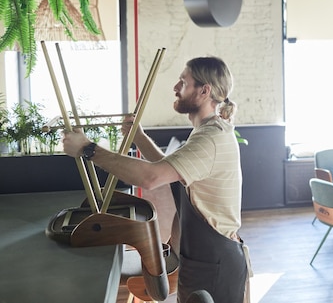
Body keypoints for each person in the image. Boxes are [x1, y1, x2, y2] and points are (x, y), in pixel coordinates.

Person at [63, 56, 248, 303]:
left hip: (215, 264)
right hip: (201, 259)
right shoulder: (205, 132)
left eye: (183, 82)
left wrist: (88, 149)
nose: (175, 87)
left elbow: (151, 177)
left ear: (204, 91)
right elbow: (169, 170)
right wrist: (138, 137)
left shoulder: (210, 139)